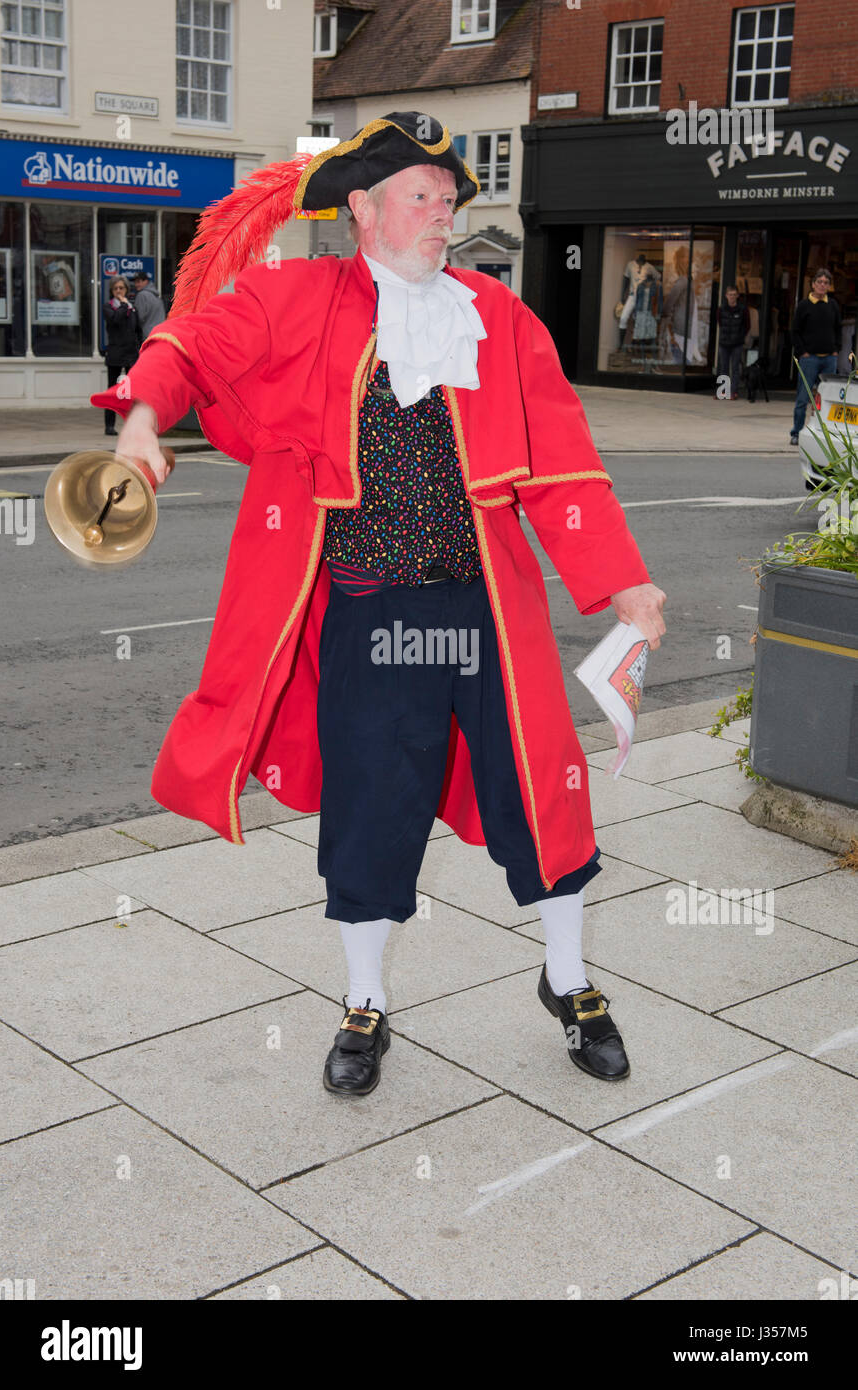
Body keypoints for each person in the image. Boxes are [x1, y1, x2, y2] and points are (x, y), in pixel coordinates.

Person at [90, 112, 666, 1098]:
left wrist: (626, 580)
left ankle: (567, 980)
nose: (442, 214)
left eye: (449, 199)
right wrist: (143, 415)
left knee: (542, 792)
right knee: (371, 812)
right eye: (421, 198)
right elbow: (190, 342)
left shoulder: (497, 315)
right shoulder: (296, 296)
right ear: (362, 207)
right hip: (365, 613)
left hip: (484, 606)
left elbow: (564, 463)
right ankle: (365, 1002)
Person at [789, 268, 842, 445]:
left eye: (826, 283)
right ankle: (796, 432)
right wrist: (802, 352)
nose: (822, 285)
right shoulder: (804, 305)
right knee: (803, 398)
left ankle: (823, 434)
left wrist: (836, 350)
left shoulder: (833, 305)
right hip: (809, 359)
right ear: (813, 284)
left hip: (829, 359)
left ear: (829, 286)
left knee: (827, 400)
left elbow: (838, 329)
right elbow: (795, 331)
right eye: (819, 282)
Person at [101, 276, 139, 436]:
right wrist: (123, 304)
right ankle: (109, 426)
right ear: (111, 291)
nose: (118, 291)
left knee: (133, 392)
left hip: (131, 353)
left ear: (126, 290)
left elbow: (137, 329)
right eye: (115, 288)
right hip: (116, 353)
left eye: (121, 288)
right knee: (113, 390)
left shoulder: (131, 308)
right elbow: (116, 320)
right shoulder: (108, 307)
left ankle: (133, 425)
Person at [716, 286, 749, 400]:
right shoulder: (721, 309)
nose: (732, 297)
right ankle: (722, 391)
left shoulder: (743, 309)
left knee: (735, 368)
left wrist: (740, 337)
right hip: (724, 343)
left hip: (737, 344)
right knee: (723, 367)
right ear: (726, 296)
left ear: (737, 296)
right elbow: (720, 322)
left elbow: (747, 325)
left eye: (734, 294)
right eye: (730, 294)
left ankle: (733, 392)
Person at [131, 269, 165, 339]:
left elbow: (138, 319)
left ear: (146, 281)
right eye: (135, 282)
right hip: (160, 334)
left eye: (138, 282)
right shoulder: (156, 296)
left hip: (147, 336)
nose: (136, 285)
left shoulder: (141, 295)